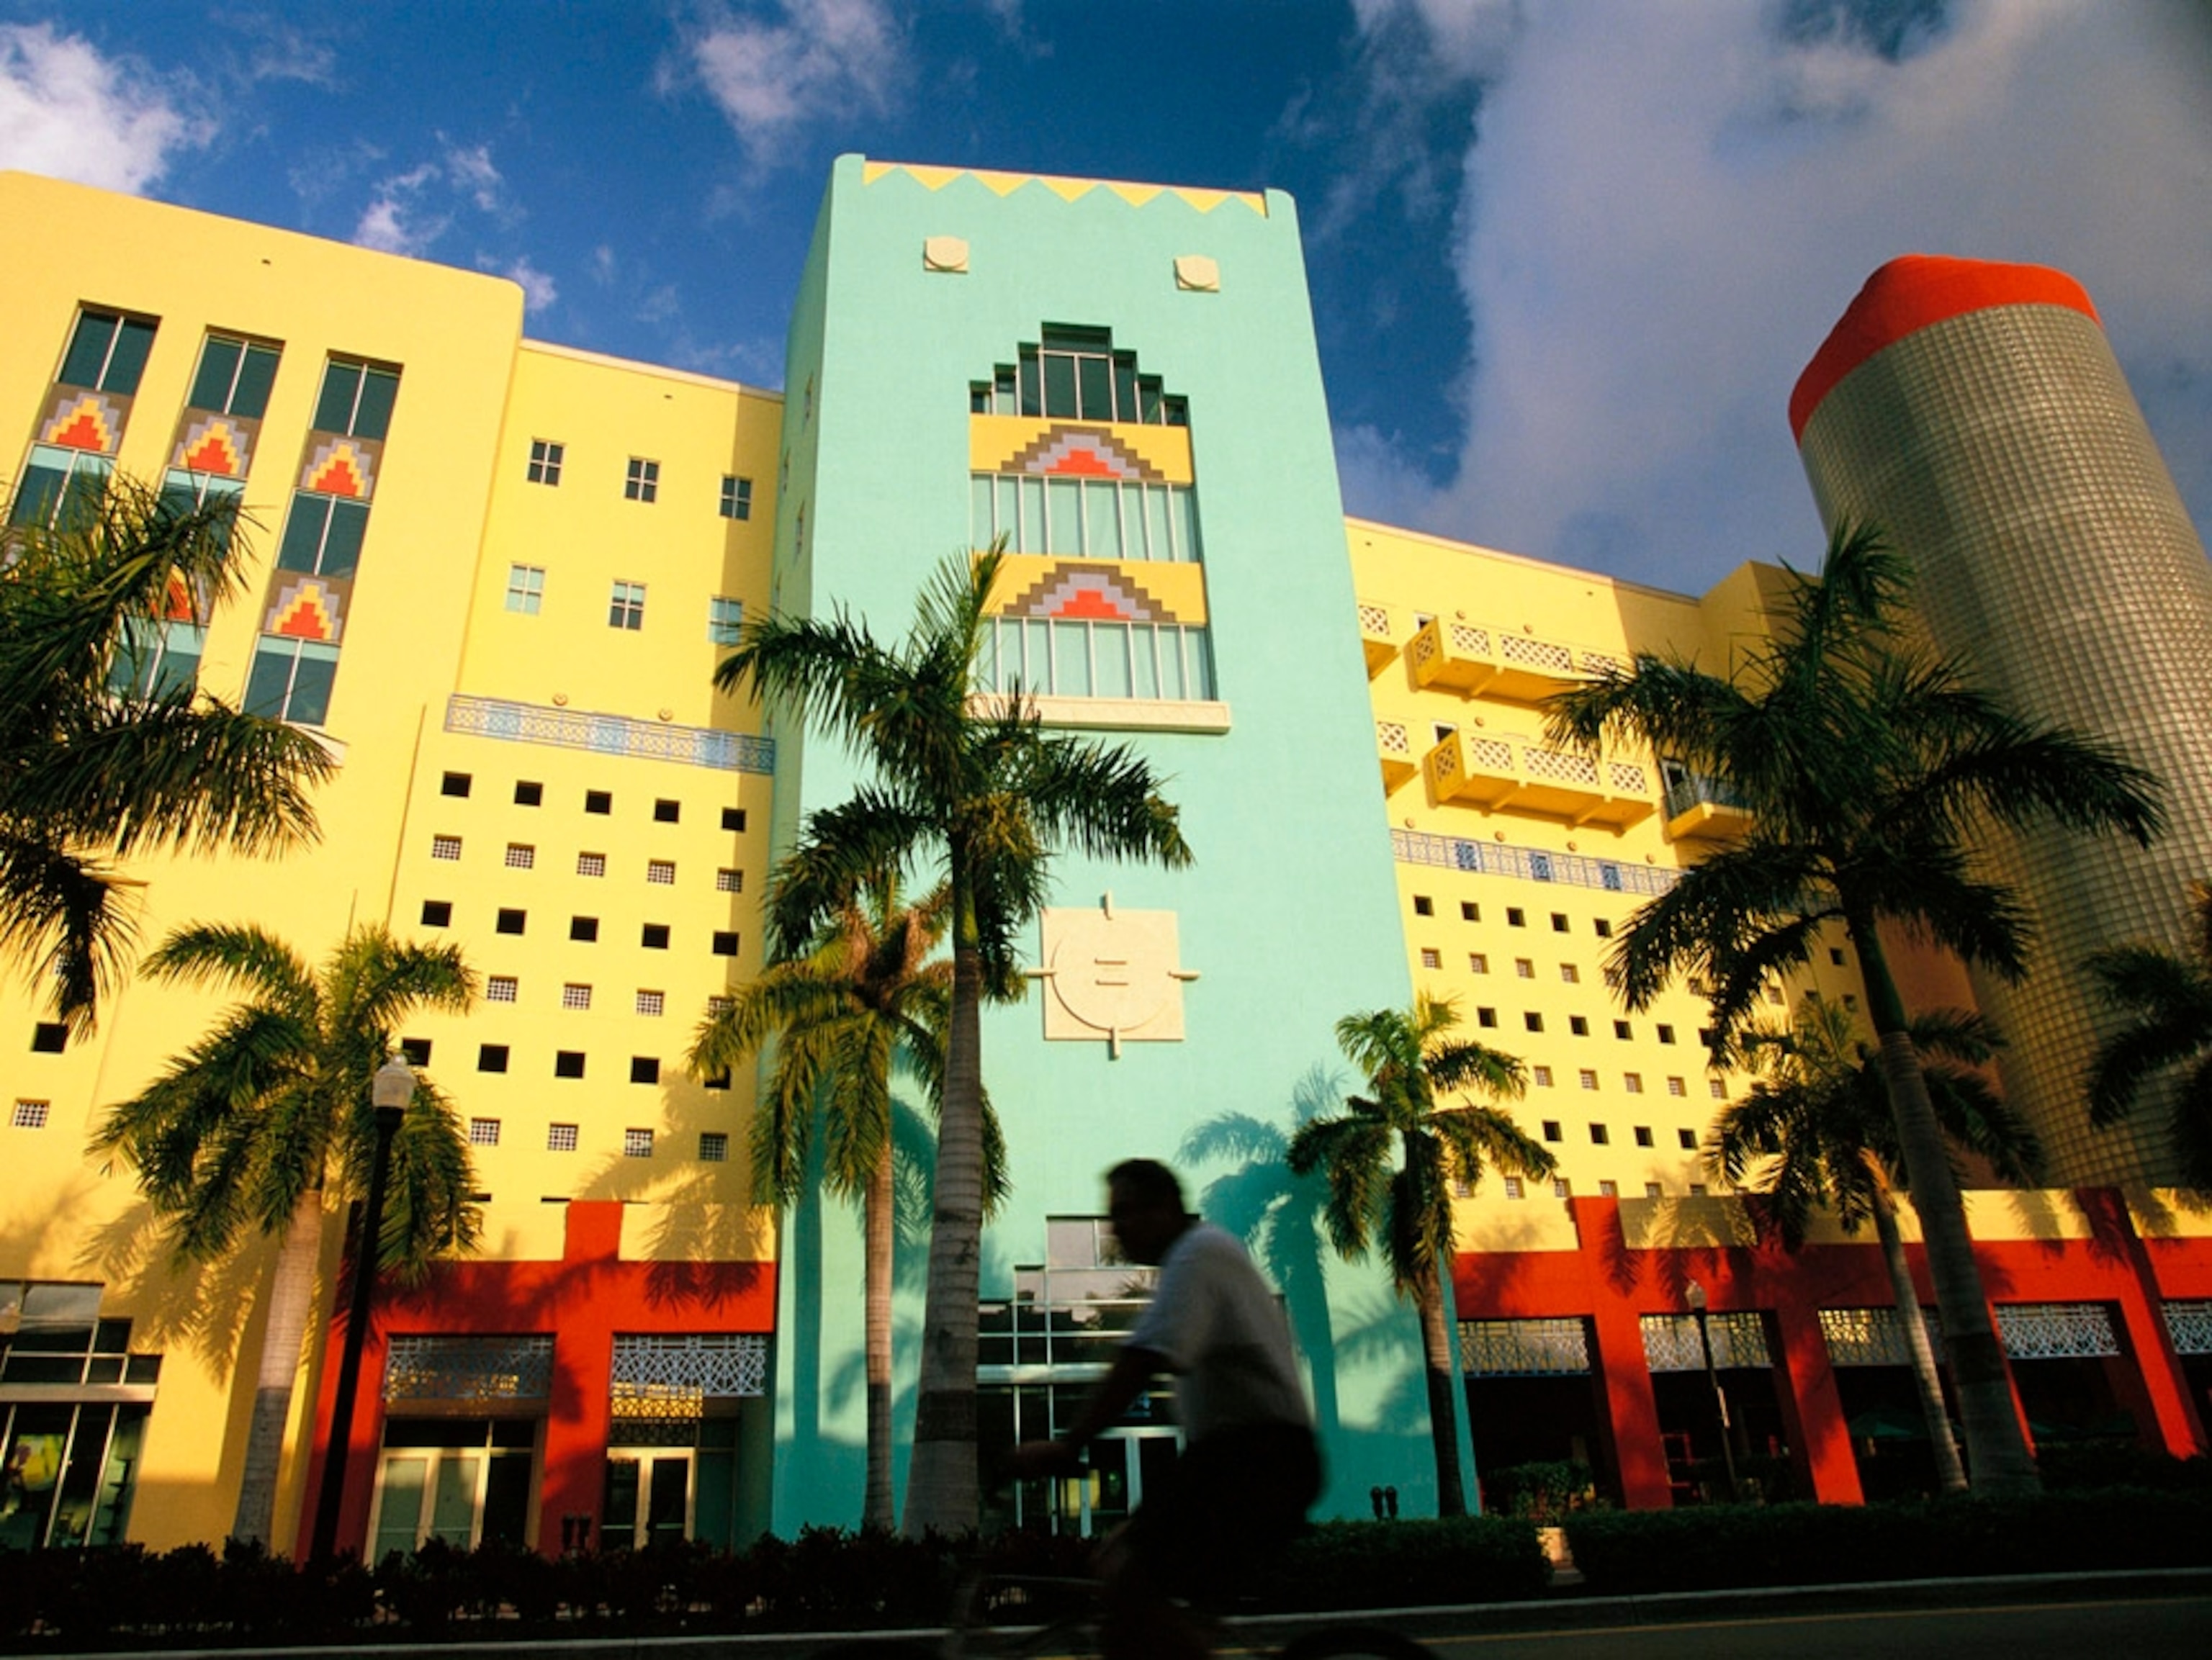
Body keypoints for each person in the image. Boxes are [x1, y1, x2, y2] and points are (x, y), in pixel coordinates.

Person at [1006, 1158, 1321, 1660]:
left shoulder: (1200, 1254)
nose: (1117, 1228)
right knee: (1120, 1570)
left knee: (1131, 1585)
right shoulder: (1191, 1262)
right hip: (1230, 1458)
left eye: (1127, 1212)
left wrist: (1069, 1444)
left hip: (1259, 1459)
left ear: (1167, 1210)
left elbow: (1141, 1359)